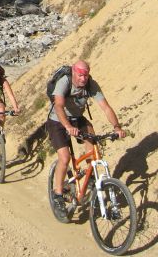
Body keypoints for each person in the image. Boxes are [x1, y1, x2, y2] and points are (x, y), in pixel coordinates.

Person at [47, 60, 125, 217]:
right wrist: (68, 127)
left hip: (77, 119)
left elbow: (105, 107)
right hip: (57, 121)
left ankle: (91, 177)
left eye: (86, 75)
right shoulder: (65, 81)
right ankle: (57, 195)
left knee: (94, 147)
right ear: (74, 72)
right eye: (80, 75)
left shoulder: (91, 84)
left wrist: (117, 127)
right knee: (65, 157)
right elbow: (59, 106)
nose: (83, 79)